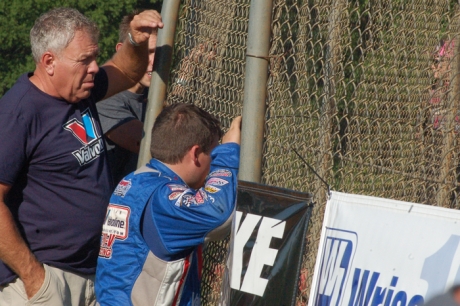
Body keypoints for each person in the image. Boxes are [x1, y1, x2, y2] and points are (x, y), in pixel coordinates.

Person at [0, 7, 163, 306]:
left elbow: (128, 71)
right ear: (49, 61)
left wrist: (135, 41)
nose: (93, 68)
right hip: (44, 282)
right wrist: (35, 279)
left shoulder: (80, 90)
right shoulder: (18, 113)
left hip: (91, 275)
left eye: (94, 57)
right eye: (84, 60)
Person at [95, 103, 241, 306]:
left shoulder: (136, 180)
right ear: (195, 154)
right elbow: (219, 215)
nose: (212, 162)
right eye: (212, 155)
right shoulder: (162, 199)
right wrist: (227, 154)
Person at [96, 10, 158, 185]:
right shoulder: (104, 97)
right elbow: (148, 144)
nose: (153, 61)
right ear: (122, 50)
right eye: (147, 51)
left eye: (157, 53)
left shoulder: (151, 96)